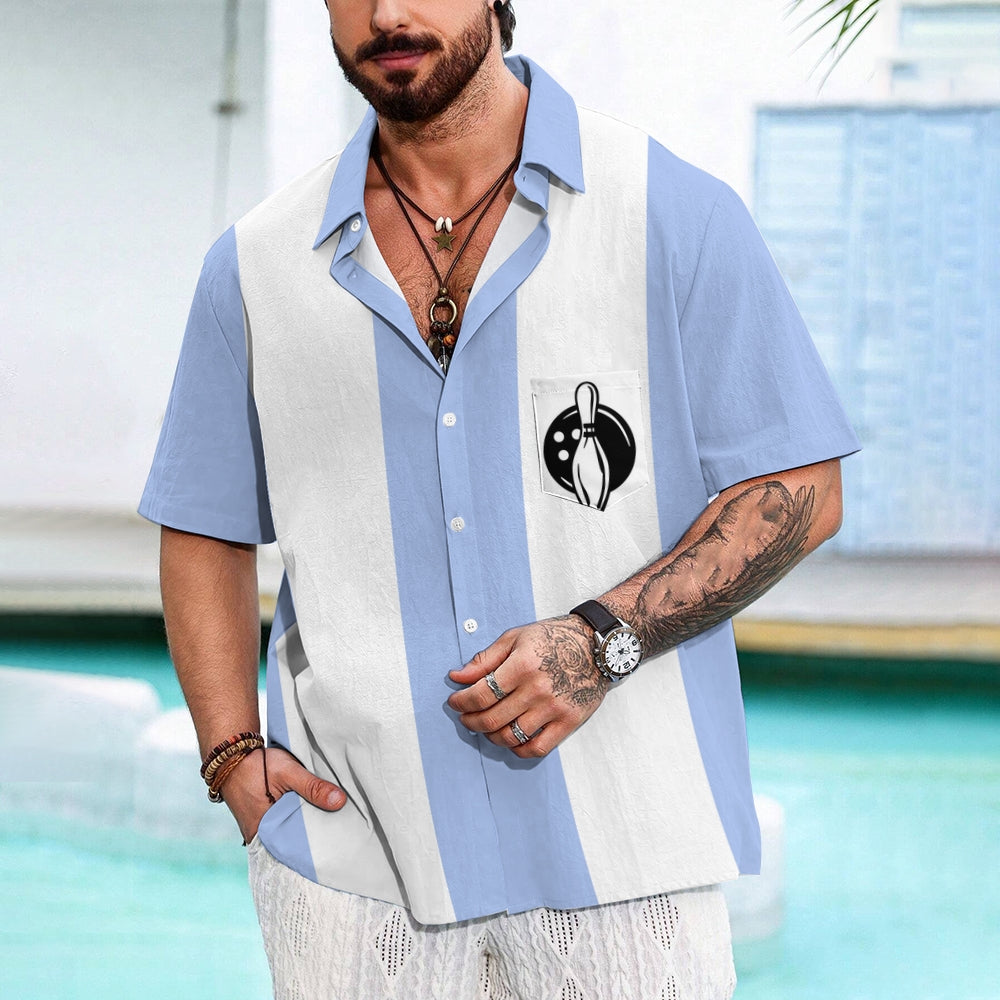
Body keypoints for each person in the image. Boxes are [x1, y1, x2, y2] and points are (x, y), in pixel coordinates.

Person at [140, 1, 859, 997]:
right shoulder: (255, 268)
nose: (387, 13)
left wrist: (601, 641)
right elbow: (204, 526)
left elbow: (800, 488)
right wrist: (231, 757)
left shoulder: (669, 211)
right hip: (353, 879)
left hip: (624, 864)